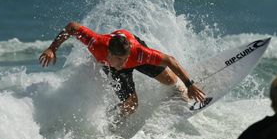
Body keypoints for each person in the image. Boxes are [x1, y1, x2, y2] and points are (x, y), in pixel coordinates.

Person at [39, 22, 206, 117]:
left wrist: (189, 84)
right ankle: (113, 120)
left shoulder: (139, 54)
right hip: (111, 65)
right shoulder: (95, 44)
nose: (122, 63)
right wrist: (52, 48)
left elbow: (170, 60)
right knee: (131, 106)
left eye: (124, 59)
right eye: (119, 59)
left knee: (169, 80)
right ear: (109, 53)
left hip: (135, 52)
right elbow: (72, 27)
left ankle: (180, 92)